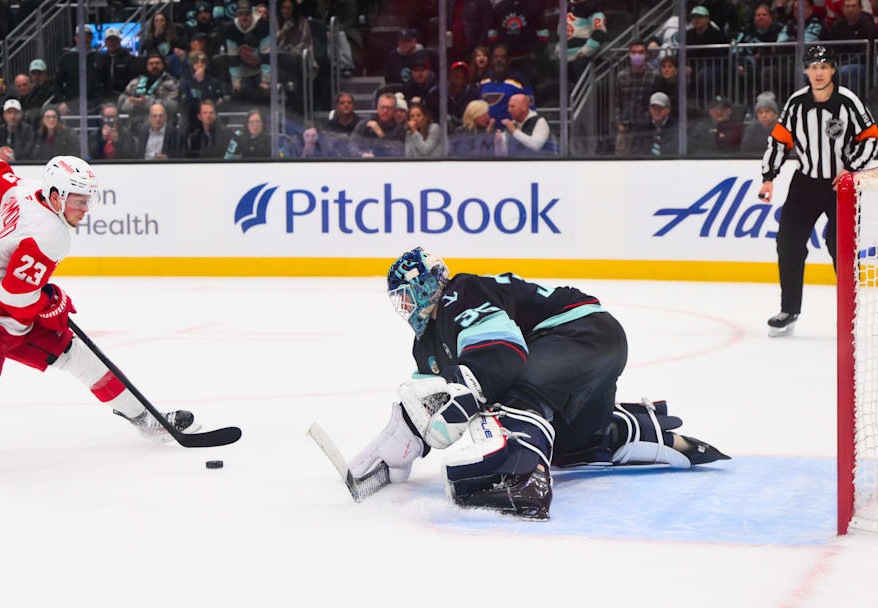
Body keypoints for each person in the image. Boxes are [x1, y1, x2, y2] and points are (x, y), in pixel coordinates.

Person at [342, 248, 728, 519]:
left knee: (507, 393)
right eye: (401, 301)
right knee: (567, 446)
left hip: (579, 331)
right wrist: (405, 438)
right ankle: (619, 431)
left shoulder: (460, 294)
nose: (407, 308)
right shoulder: (424, 345)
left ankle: (521, 476)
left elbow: (502, 352)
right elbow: (434, 402)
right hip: (590, 350)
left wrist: (463, 397)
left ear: (428, 286)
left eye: (409, 296)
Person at [0, 156, 198, 484]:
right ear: (57, 196)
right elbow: (14, 298)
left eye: (88, 200)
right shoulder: (49, 234)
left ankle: (146, 420)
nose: (85, 209)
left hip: (7, 313)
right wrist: (51, 303)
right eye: (78, 201)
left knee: (80, 355)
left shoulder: (22, 189)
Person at [760, 46, 878, 336]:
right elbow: (779, 141)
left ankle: (850, 314)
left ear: (833, 70)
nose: (818, 72)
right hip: (805, 183)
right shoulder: (796, 103)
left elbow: (871, 137)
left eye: (824, 66)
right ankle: (789, 309)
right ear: (806, 71)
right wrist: (768, 176)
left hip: (842, 186)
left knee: (839, 246)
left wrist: (850, 168)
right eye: (813, 67)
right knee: (788, 242)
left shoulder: (848, 101)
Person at [615, 40, 656, 157]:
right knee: (621, 160)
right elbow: (617, 101)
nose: (637, 55)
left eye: (641, 52)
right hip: (626, 126)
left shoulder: (654, 75)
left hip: (647, 127)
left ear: (646, 54)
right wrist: (618, 122)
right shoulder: (621, 76)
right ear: (629, 54)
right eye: (633, 52)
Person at [223, 0, 270, 101]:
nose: (244, 17)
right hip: (243, 70)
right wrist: (236, 83)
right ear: (236, 15)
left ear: (252, 13)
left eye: (247, 14)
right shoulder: (231, 29)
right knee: (242, 99)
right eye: (240, 14)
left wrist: (266, 80)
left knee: (264, 97)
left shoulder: (262, 26)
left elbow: (266, 55)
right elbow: (233, 59)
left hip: (261, 70)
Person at [119, 52, 179, 127]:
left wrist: (147, 103)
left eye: (157, 63)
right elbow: (121, 102)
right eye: (151, 63)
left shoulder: (172, 83)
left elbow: (174, 105)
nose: (154, 66)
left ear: (163, 65)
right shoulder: (135, 82)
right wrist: (131, 102)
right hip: (136, 125)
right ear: (146, 66)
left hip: (163, 125)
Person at [478, 43, 529, 124]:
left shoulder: (519, 81)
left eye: (503, 57)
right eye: (496, 57)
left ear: (509, 60)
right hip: (486, 129)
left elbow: (529, 109)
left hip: (511, 129)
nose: (499, 60)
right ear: (492, 60)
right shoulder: (484, 80)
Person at [428, 61, 478, 132]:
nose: (460, 80)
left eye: (463, 77)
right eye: (456, 76)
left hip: (466, 131)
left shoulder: (473, 94)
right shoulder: (437, 92)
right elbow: (431, 114)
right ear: (450, 76)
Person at [351, 91, 405, 158]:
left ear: (394, 110)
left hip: (386, 163)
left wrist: (380, 134)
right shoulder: (364, 124)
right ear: (377, 107)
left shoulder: (399, 129)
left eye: (389, 108)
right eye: (382, 107)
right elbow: (351, 145)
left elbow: (397, 152)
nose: (385, 110)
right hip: (364, 161)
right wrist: (361, 154)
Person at [501, 90, 552, 156]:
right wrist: (498, 141)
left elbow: (536, 146)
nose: (509, 110)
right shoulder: (512, 124)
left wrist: (514, 131)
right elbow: (504, 153)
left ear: (524, 107)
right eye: (508, 107)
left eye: (512, 106)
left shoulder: (540, 121)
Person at [96, 28, 139, 104]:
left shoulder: (130, 59)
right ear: (105, 42)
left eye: (114, 40)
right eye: (109, 40)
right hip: (104, 99)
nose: (112, 43)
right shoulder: (100, 59)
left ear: (119, 41)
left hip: (125, 98)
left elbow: (133, 81)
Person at [631, 91, 679, 156]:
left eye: (660, 108)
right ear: (649, 109)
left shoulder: (677, 128)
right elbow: (635, 153)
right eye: (653, 107)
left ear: (668, 109)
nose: (657, 111)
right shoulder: (642, 128)